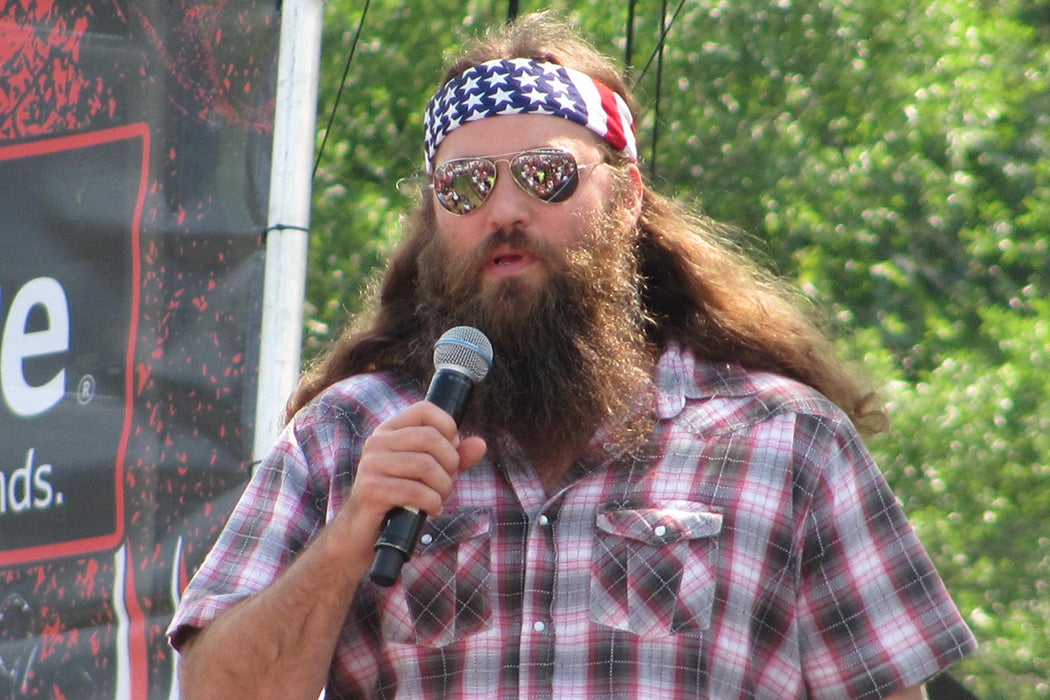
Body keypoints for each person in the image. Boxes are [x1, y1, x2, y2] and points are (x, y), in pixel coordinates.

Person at [168, 12, 977, 699]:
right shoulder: (346, 437)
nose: (506, 211)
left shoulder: (787, 441)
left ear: (626, 202)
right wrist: (348, 537)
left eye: (547, 175)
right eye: (467, 186)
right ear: (434, 217)